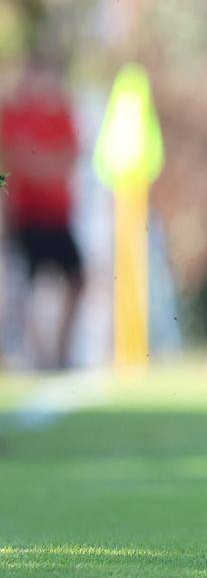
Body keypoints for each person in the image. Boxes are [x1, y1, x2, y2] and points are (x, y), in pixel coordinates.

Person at [0, 51, 85, 370]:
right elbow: (10, 162)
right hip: (26, 215)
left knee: (77, 280)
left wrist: (35, 163)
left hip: (59, 215)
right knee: (30, 286)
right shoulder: (11, 114)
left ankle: (60, 351)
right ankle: (40, 355)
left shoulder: (61, 113)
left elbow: (69, 159)